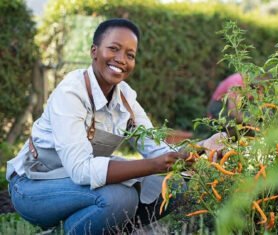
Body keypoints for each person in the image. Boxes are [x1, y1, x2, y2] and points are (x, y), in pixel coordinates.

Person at [6, 18, 226, 234]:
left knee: (175, 186)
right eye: (114, 49)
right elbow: (81, 170)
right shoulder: (71, 93)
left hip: (75, 184)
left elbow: (159, 151)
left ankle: (100, 230)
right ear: (94, 51)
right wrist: (154, 165)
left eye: (130, 55)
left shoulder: (126, 99)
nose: (121, 59)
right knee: (120, 198)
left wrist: (203, 147)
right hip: (34, 185)